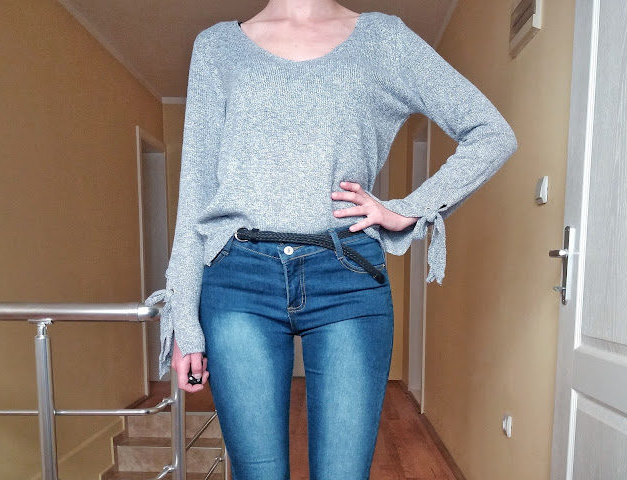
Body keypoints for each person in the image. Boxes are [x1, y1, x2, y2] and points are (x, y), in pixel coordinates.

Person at [145, 0, 518, 478]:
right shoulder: (217, 47)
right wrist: (185, 320)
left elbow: (491, 132)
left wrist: (409, 209)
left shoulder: (383, 39)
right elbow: (194, 193)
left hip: (347, 276)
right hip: (238, 279)